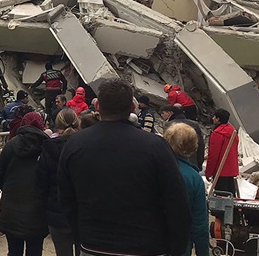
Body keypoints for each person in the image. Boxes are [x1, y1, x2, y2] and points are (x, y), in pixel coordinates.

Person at [58, 78, 190, 256]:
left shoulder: (75, 144)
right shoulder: (155, 146)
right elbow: (177, 202)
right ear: (132, 108)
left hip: (94, 244)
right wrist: (176, 248)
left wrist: (82, 235)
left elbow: (66, 198)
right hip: (146, 245)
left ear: (97, 107)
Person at [0, 112, 49, 256]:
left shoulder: (12, 145)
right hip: (38, 209)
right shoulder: (47, 147)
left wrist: (8, 189)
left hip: (12, 207)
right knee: (35, 249)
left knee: (14, 250)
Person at [37, 109, 80, 256]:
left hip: (56, 212)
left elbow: (41, 182)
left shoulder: (48, 148)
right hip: (82, 213)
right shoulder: (84, 145)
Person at [164, 123, 209, 256]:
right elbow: (199, 225)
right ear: (193, 147)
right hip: (179, 246)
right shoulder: (193, 178)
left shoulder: (150, 168)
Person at [206, 109, 239, 196]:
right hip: (231, 169)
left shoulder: (217, 134)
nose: (213, 118)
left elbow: (213, 155)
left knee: (221, 198)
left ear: (218, 119)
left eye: (214, 117)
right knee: (231, 195)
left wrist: (208, 172)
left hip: (220, 170)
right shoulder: (233, 132)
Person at [160, 105, 205, 169]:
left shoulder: (168, 125)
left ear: (171, 113)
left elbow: (165, 145)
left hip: (173, 162)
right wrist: (200, 162)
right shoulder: (194, 124)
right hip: (192, 162)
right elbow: (200, 144)